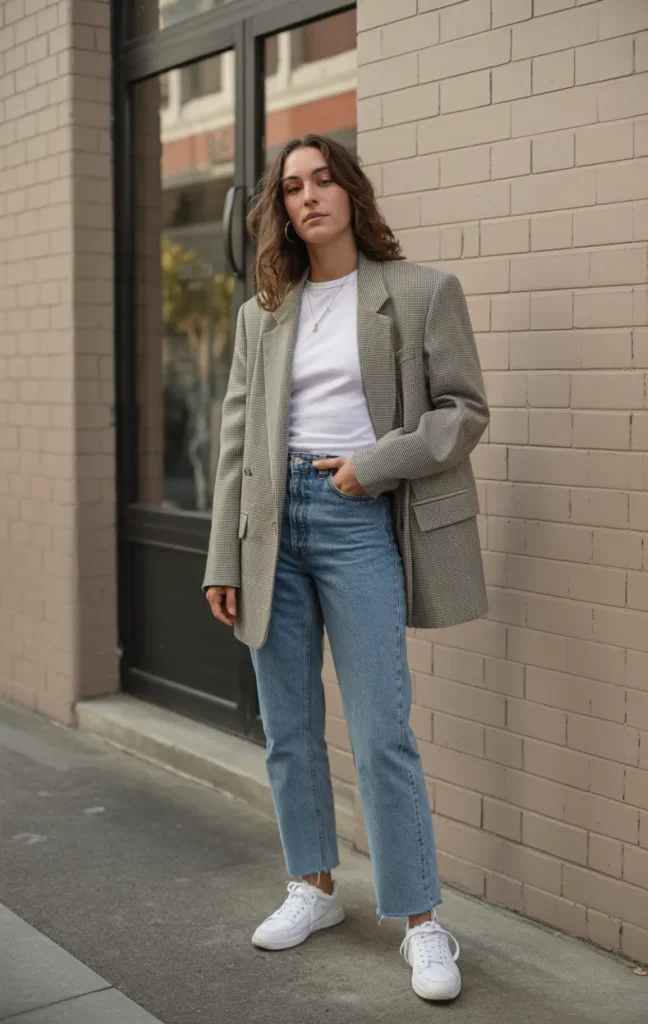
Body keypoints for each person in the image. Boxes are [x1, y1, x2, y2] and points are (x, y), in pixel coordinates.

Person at [203, 134, 489, 1003]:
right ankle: (312, 887)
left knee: (379, 731)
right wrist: (225, 553)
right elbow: (234, 438)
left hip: (357, 511)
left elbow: (463, 411)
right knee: (288, 726)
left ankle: (420, 921)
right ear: (280, 208)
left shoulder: (419, 292)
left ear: (349, 191)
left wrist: (377, 461)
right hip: (269, 526)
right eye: (292, 187)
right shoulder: (264, 310)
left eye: (323, 179)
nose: (309, 196)